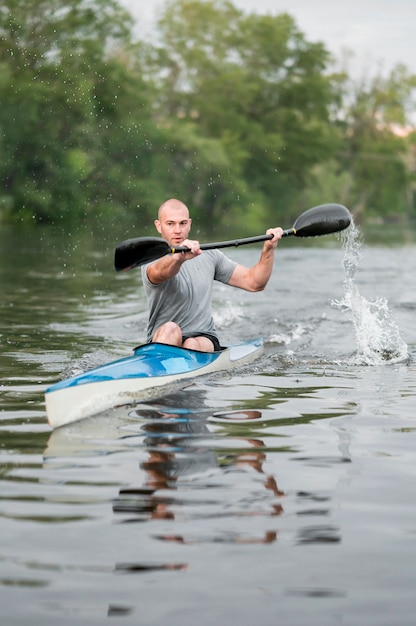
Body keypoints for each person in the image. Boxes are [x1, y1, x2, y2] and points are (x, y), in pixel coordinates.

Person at [141, 198, 283, 352]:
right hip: (163, 339)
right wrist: (178, 258)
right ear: (158, 226)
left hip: (203, 337)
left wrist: (268, 249)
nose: (177, 230)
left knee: (191, 344)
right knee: (170, 329)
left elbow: (254, 282)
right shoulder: (150, 258)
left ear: (189, 224)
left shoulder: (210, 255)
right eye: (170, 224)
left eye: (182, 223)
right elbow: (161, 272)